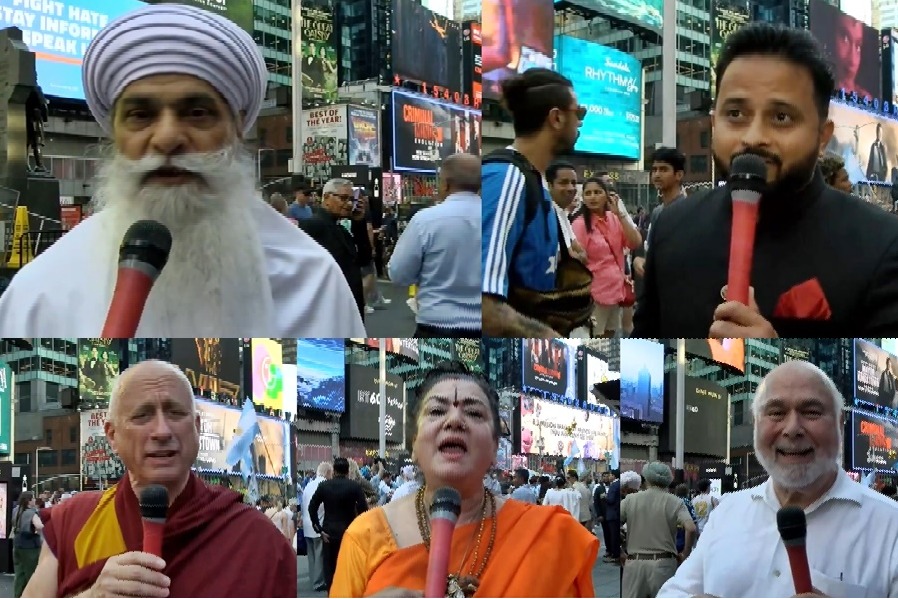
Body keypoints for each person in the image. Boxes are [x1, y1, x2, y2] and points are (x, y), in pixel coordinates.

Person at [0, 3, 364, 338]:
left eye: (197, 113)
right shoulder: (41, 292)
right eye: (141, 115)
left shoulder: (313, 282)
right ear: (115, 133)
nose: (168, 138)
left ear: (237, 127)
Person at [633, 23, 898, 338]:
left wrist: (771, 358)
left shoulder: (882, 244)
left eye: (781, 117)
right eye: (735, 114)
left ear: (822, 136)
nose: (754, 136)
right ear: (714, 122)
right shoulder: (673, 226)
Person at [22, 360, 296, 597]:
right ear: (112, 436)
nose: (162, 431)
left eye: (176, 413)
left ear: (197, 427)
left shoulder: (256, 539)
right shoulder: (73, 522)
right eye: (142, 416)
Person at [330, 361, 599, 597]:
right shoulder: (364, 536)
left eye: (473, 413)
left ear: (495, 448)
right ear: (413, 444)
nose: (455, 420)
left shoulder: (551, 539)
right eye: (436, 411)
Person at [657, 360, 898, 597]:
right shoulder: (726, 514)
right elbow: (674, 592)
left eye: (812, 412)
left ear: (840, 424)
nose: (792, 429)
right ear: (756, 425)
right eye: (776, 413)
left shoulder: (891, 526)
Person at [481, 68, 591, 337]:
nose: (580, 122)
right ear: (556, 118)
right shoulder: (507, 178)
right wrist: (552, 341)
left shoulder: (534, 181)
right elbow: (484, 309)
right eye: (578, 113)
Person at [388, 153, 482, 337]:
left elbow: (399, 274)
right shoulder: (495, 219)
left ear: (445, 183)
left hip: (436, 326)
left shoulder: (425, 220)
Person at [570, 177, 642, 337]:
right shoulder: (580, 225)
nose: (593, 197)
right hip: (594, 296)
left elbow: (635, 242)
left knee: (610, 335)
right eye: (588, 193)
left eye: (597, 192)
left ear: (606, 196)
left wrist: (620, 215)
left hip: (616, 292)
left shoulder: (615, 219)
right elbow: (575, 262)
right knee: (594, 340)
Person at [620, 463, 695, 598]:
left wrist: (619, 551)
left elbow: (613, 525)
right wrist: (684, 554)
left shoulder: (630, 500)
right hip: (664, 564)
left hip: (634, 563)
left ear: (646, 478)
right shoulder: (676, 502)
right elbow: (691, 528)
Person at [298, 178, 366, 320]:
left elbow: (364, 258)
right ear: (327, 197)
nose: (348, 204)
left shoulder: (341, 229)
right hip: (329, 310)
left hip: (346, 307)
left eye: (351, 199)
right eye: (343, 198)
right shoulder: (312, 225)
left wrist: (359, 222)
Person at [308, 457, 368, 591]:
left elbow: (312, 507)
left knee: (330, 568)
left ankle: (332, 593)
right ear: (348, 471)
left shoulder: (324, 486)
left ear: (334, 470)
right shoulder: (354, 487)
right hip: (349, 532)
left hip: (329, 533)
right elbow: (364, 509)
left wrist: (319, 529)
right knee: (348, 567)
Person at [302, 461, 333, 592]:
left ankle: (313, 578)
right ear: (327, 472)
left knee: (312, 556)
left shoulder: (309, 485)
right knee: (320, 554)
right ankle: (319, 582)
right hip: (318, 524)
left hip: (307, 525)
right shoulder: (324, 485)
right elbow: (324, 506)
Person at [12, 492, 43, 597]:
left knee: (20, 574)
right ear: (29, 501)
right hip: (30, 547)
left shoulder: (16, 510)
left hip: (17, 544)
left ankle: (18, 595)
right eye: (33, 498)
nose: (35, 500)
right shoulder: (31, 512)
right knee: (31, 574)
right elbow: (39, 525)